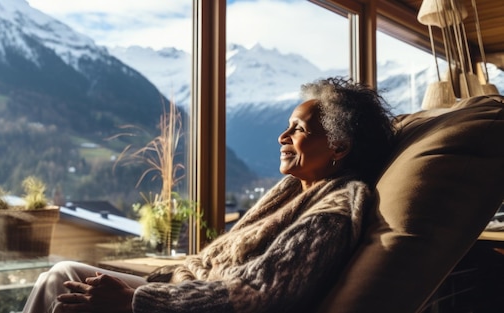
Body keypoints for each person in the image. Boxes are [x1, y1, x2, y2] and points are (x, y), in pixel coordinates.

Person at [21, 76, 396, 313]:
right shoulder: (292, 193)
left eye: (297, 129)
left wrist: (133, 299)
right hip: (188, 293)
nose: (282, 137)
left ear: (339, 147)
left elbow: (258, 294)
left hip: (199, 305)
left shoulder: (334, 209)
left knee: (62, 280)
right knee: (64, 277)